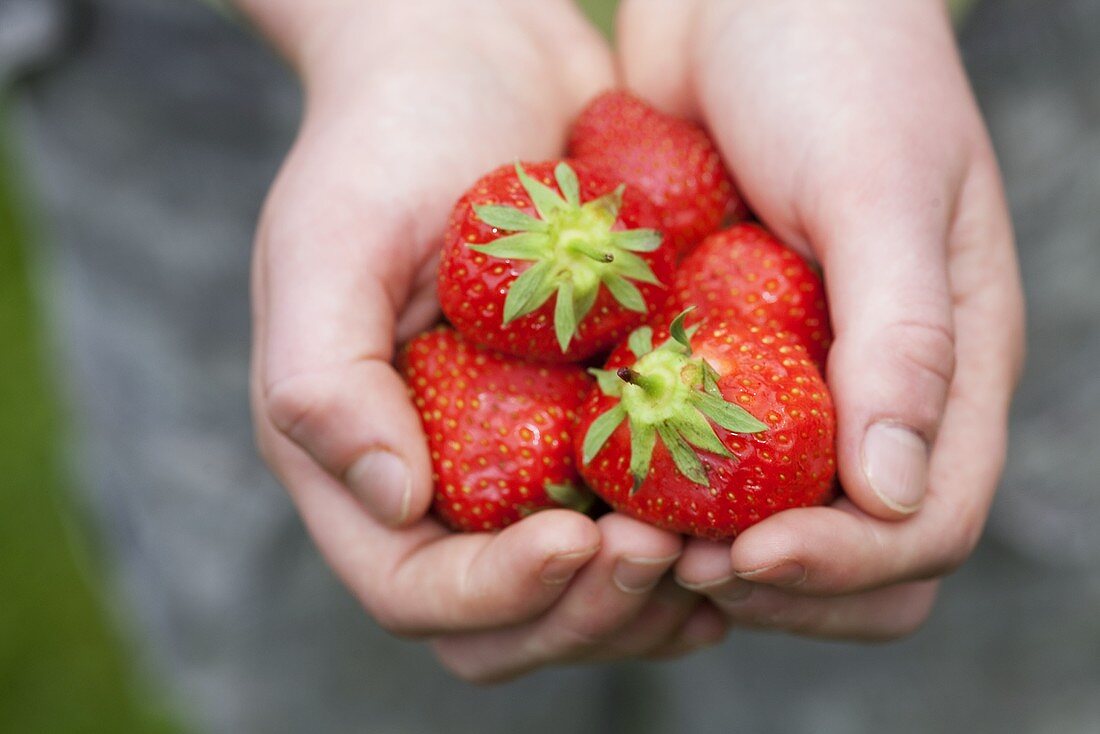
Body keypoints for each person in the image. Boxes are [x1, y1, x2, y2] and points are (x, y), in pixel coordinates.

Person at [21, 0, 1100, 731]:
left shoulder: (685, 316)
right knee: (337, 674)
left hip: (966, 74)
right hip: (206, 83)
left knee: (968, 673)